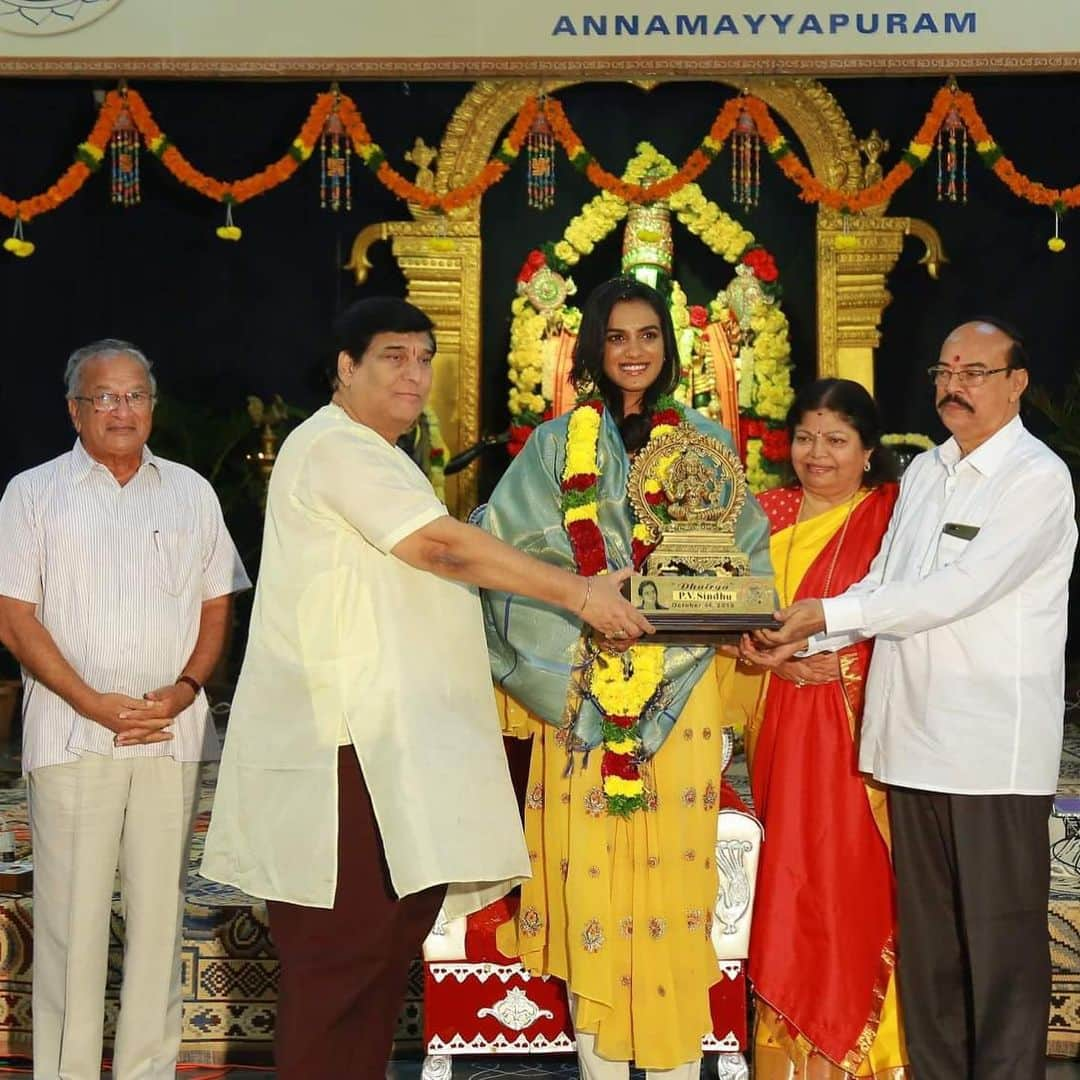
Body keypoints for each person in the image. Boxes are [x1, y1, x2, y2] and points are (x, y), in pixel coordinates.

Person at [199, 296, 652, 1079]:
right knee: (341, 965)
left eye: (423, 358)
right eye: (393, 357)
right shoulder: (336, 446)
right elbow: (442, 550)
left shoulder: (381, 454)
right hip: (343, 747)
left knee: (375, 962)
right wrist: (579, 595)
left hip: (383, 746)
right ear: (346, 369)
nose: (415, 374)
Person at [758, 319, 1078, 1080]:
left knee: (999, 952)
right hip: (907, 739)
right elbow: (885, 585)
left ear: (1017, 381)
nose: (954, 385)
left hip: (988, 751)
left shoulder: (1036, 478)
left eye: (974, 371)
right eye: (944, 370)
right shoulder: (929, 472)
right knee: (929, 950)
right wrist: (807, 637)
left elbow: (959, 591)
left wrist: (828, 616)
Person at [481, 276, 772, 1079]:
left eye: (648, 335)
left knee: (674, 879)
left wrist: (697, 606)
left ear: (668, 349)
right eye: (618, 336)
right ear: (593, 349)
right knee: (593, 886)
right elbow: (502, 560)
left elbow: (743, 561)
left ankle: (679, 1067)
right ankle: (600, 1063)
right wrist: (587, 606)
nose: (634, 351)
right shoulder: (552, 448)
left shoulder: (704, 440)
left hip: (680, 696)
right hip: (580, 697)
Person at [0, 339, 250, 1080]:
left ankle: (147, 1071)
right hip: (74, 736)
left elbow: (216, 605)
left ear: (152, 406)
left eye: (135, 395)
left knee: (157, 921)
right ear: (75, 410)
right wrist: (93, 703)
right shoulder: (31, 493)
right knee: (72, 925)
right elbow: (15, 618)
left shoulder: (191, 493)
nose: (121, 409)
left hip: (169, 736)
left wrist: (183, 690)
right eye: (104, 397)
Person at [731, 378, 908, 1078]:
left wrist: (843, 664)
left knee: (857, 878)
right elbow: (721, 613)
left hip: (861, 731)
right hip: (782, 726)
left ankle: (873, 1054)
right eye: (805, 437)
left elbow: (914, 610)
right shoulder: (764, 514)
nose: (818, 454)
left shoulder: (893, 517)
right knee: (793, 877)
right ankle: (791, 1049)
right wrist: (758, 655)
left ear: (869, 452)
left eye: (837, 440)